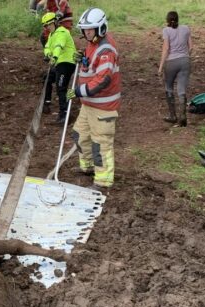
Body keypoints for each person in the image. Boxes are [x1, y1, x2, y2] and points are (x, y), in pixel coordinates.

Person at [67, 7, 121, 188]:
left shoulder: (106, 50)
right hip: (88, 105)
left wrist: (78, 91)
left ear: (101, 28)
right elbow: (91, 65)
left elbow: (102, 80)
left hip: (103, 107)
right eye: (85, 30)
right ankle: (88, 167)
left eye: (90, 30)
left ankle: (103, 181)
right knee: (80, 135)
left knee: (100, 144)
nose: (87, 33)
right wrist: (82, 58)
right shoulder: (93, 44)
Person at [158, 11, 192, 127]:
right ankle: (183, 118)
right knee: (181, 90)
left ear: (167, 20)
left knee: (168, 87)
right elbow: (191, 47)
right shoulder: (186, 28)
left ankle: (173, 116)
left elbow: (166, 49)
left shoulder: (166, 31)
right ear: (178, 19)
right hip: (185, 61)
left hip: (171, 62)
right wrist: (185, 57)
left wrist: (161, 66)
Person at [43, 11, 77, 124]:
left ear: (55, 22)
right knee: (47, 78)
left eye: (49, 24)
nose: (47, 27)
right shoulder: (52, 35)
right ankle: (46, 103)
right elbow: (47, 47)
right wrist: (48, 54)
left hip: (67, 62)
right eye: (45, 25)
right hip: (59, 62)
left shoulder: (62, 32)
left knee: (61, 87)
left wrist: (55, 57)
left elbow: (59, 46)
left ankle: (65, 114)